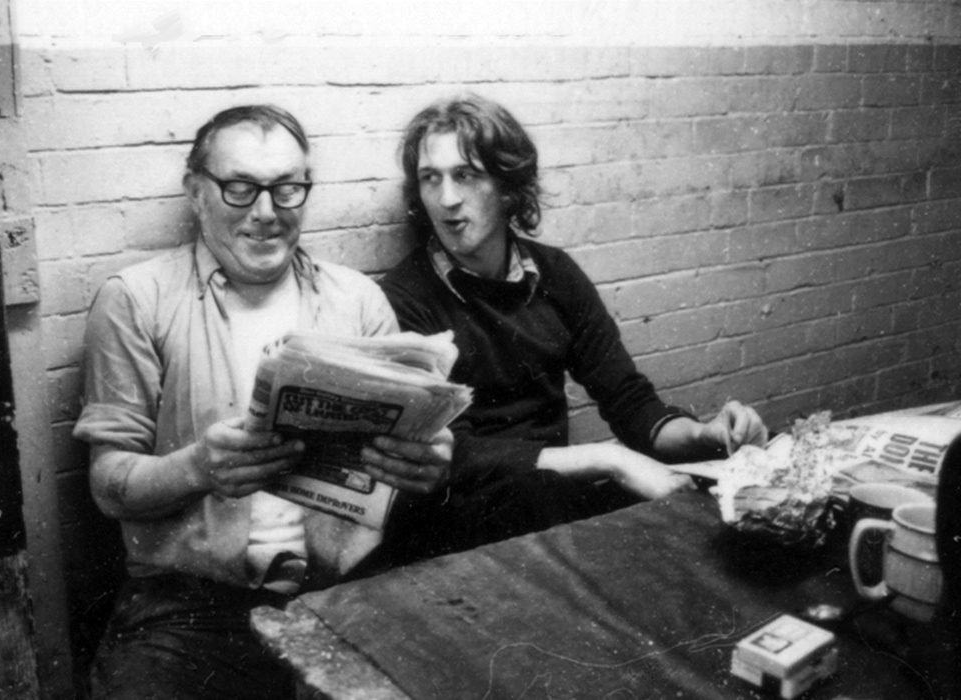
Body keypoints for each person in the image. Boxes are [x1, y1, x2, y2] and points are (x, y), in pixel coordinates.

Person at [72, 104, 452, 699]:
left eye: (287, 189)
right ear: (196, 193)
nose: (266, 213)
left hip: (342, 587)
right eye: (240, 188)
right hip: (190, 606)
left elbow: (411, 465)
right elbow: (108, 482)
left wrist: (425, 460)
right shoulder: (136, 300)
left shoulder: (358, 300)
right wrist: (196, 467)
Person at [376, 94, 767, 562]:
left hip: (548, 500)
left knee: (731, 490)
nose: (447, 199)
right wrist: (609, 458)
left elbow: (629, 402)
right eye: (430, 179)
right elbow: (448, 456)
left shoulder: (555, 275)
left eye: (466, 174)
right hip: (465, 515)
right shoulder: (405, 297)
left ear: (507, 187)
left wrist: (705, 435)